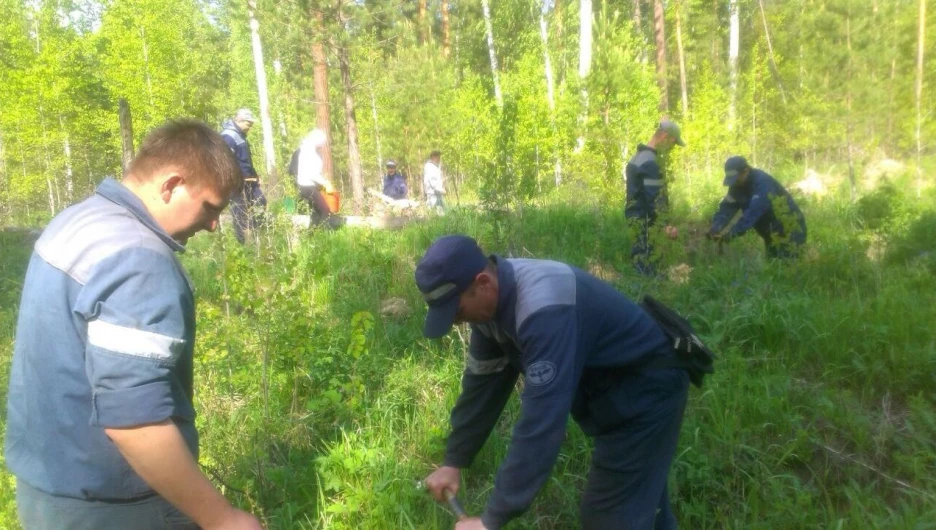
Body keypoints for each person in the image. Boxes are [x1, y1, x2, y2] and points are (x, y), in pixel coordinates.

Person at [4, 120, 265, 530]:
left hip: (46, 489)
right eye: (211, 207)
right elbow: (135, 420)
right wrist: (221, 518)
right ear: (172, 184)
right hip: (114, 505)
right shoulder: (140, 260)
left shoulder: (74, 221)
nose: (214, 225)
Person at [416, 235, 690, 530]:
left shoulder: (544, 310)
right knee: (643, 507)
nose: (457, 323)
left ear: (483, 283)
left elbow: (542, 422)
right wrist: (453, 461)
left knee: (609, 517)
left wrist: (490, 519)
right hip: (616, 392)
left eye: (457, 312)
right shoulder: (488, 309)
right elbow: (481, 388)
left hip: (647, 390)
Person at [708, 156, 807, 258]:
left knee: (788, 266)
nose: (734, 183)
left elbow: (753, 213)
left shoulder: (762, 183)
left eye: (736, 179)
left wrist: (732, 234)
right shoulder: (737, 185)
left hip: (790, 229)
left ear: (746, 171)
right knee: (773, 268)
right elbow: (727, 207)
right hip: (770, 233)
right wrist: (716, 227)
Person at [625, 120, 685, 275]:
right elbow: (654, 198)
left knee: (639, 260)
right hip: (646, 223)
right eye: (672, 144)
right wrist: (665, 225)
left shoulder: (636, 157)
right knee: (647, 268)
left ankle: (638, 291)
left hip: (635, 219)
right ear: (664, 136)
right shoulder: (651, 163)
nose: (671, 149)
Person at [221, 108, 266, 243]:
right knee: (239, 212)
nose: (250, 127)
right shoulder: (228, 136)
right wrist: (234, 178)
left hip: (249, 180)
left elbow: (245, 160)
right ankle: (241, 244)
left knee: (260, 202)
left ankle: (256, 238)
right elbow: (225, 161)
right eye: (248, 124)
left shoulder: (240, 135)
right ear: (239, 121)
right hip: (236, 182)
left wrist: (256, 176)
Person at [292, 129, 335, 225]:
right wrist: (325, 183)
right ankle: (326, 235)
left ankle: (312, 235)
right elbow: (311, 173)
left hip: (308, 184)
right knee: (325, 209)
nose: (322, 145)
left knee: (316, 212)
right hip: (307, 185)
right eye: (321, 143)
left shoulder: (309, 149)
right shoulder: (308, 151)